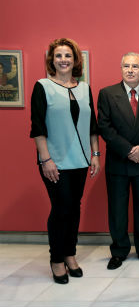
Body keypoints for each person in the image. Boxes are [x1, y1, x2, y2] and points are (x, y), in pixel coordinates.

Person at [29, 38, 101, 284]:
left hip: (80, 160)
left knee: (74, 208)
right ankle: (56, 259)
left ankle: (70, 253)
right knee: (61, 209)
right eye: (58, 56)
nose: (63, 60)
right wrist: (45, 159)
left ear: (75, 60)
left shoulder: (84, 88)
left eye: (67, 56)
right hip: (55, 161)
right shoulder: (42, 87)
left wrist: (95, 155)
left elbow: (92, 126)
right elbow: (37, 127)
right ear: (52, 60)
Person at [97, 52, 139, 270]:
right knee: (117, 210)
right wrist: (128, 150)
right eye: (126, 66)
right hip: (118, 161)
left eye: (135, 66)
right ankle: (119, 251)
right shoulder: (107, 93)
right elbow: (105, 127)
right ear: (121, 69)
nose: (130, 70)